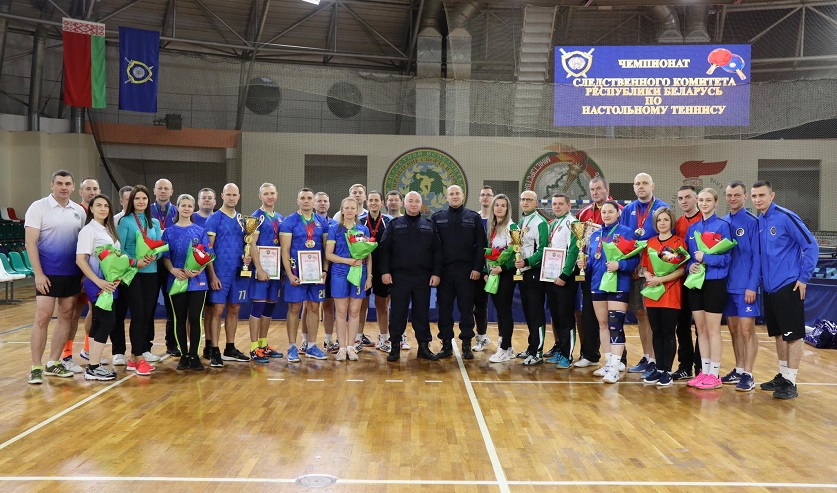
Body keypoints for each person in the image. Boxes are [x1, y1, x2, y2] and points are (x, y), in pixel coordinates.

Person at [752, 180, 818, 399]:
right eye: (754, 196)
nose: (758, 199)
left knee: (793, 336)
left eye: (762, 195)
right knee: (779, 334)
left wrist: (804, 277)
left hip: (789, 284)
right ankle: (783, 375)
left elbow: (811, 245)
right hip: (769, 288)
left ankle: (791, 381)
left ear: (772, 196)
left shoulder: (786, 217)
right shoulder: (761, 220)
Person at [25, 170, 86, 384]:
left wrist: (83, 274)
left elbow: (83, 244)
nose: (63, 187)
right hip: (47, 274)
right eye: (59, 183)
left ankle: (53, 362)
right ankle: (35, 367)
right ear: (52, 185)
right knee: (42, 317)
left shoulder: (79, 211)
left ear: (73, 187)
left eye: (67, 184)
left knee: (66, 316)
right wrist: (38, 274)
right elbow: (30, 242)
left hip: (72, 273)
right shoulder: (38, 207)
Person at [579, 200, 639, 384]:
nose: (606, 215)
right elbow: (594, 261)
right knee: (603, 324)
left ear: (618, 213)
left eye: (610, 212)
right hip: (597, 284)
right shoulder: (595, 235)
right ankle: (608, 362)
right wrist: (585, 264)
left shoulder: (626, 233)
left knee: (615, 324)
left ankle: (615, 367)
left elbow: (635, 259)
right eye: (604, 212)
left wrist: (619, 265)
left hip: (618, 283)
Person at [379, 191, 442, 362]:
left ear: (421, 204)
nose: (414, 204)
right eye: (410, 201)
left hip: (423, 277)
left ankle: (424, 347)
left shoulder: (429, 225)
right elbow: (384, 250)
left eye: (417, 201)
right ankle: (394, 347)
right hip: (400, 277)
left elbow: (437, 252)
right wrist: (385, 272)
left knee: (421, 313)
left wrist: (436, 273)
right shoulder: (394, 224)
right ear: (404, 204)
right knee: (398, 313)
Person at [620, 173, 669, 377]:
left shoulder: (662, 208)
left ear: (653, 186)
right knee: (640, 313)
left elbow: (667, 239)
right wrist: (630, 264)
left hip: (654, 271)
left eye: (645, 183)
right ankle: (647, 357)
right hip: (634, 270)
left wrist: (652, 267)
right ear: (633, 187)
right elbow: (624, 238)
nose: (641, 186)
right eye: (637, 183)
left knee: (653, 315)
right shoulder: (628, 210)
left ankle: (657, 360)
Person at [685, 188, 733, 390]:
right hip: (696, 283)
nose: (704, 204)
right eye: (701, 200)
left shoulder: (723, 226)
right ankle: (704, 372)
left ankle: (714, 374)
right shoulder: (692, 228)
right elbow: (688, 257)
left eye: (708, 200)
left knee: (713, 330)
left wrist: (706, 258)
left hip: (715, 282)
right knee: (701, 329)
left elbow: (726, 258)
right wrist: (690, 266)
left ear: (716, 203)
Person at [431, 185, 486, 359]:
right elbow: (432, 248)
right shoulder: (437, 217)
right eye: (451, 194)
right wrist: (436, 272)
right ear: (446, 197)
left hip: (467, 272)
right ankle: (446, 344)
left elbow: (481, 245)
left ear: (463, 196)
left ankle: (467, 344)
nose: (454, 196)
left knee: (466, 309)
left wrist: (477, 268)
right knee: (444, 310)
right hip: (444, 272)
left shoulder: (473, 217)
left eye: (457, 194)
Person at [573, 176, 621, 369]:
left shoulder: (620, 210)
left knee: (614, 318)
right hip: (590, 271)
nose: (595, 192)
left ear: (607, 189)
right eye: (592, 189)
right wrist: (582, 260)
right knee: (589, 316)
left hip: (612, 272)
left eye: (599, 189)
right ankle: (590, 355)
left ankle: (620, 359)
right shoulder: (583, 213)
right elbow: (579, 243)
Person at [204, 183, 252, 367]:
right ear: (222, 196)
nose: (232, 198)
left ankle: (230, 348)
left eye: (234, 195)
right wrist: (212, 275)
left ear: (238, 197)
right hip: (220, 272)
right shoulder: (214, 219)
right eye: (228, 194)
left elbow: (247, 244)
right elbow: (208, 250)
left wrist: (246, 257)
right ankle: (214, 350)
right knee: (217, 310)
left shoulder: (243, 220)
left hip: (238, 272)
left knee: (234, 308)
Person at [638, 208, 687, 387]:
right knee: (656, 332)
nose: (662, 223)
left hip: (670, 293)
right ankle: (658, 369)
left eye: (666, 219)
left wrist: (660, 279)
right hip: (653, 293)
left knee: (668, 333)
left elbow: (681, 270)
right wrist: (648, 275)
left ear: (671, 221)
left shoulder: (678, 242)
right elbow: (644, 266)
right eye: (659, 220)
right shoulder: (650, 243)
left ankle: (667, 371)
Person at [280, 188, 330, 362]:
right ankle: (292, 347)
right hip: (296, 272)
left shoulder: (322, 222)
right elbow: (285, 250)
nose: (306, 200)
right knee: (294, 308)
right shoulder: (289, 221)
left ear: (314, 201)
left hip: (316, 273)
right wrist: (289, 274)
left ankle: (312, 346)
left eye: (309, 198)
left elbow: (326, 249)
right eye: (303, 198)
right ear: (298, 201)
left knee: (314, 307)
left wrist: (325, 271)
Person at [721, 181, 761, 391]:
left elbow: (757, 257)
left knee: (747, 331)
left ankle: (749, 373)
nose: (733, 198)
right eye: (729, 195)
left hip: (745, 287)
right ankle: (738, 369)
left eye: (737, 195)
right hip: (726, 286)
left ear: (745, 196)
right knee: (734, 330)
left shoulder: (752, 222)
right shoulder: (722, 222)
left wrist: (752, 286)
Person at [75, 194, 120, 381]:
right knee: (107, 322)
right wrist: (97, 281)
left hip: (109, 283)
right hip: (98, 284)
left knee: (99, 322)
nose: (103, 208)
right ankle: (93, 367)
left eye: (106, 206)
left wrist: (117, 277)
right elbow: (80, 259)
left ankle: (93, 365)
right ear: (91, 209)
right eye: (98, 205)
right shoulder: (88, 230)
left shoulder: (108, 230)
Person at [162, 194, 210, 371]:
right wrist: (173, 270)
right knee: (179, 319)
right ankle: (184, 355)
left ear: (193, 208)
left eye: (190, 206)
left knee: (195, 318)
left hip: (197, 281)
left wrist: (198, 270)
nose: (186, 208)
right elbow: (165, 256)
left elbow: (206, 255)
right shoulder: (169, 232)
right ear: (177, 207)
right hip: (177, 280)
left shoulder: (200, 231)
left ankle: (194, 355)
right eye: (183, 205)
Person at [117, 185, 160, 376]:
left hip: (151, 273)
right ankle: (139, 356)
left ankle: (134, 358)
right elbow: (120, 249)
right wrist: (135, 262)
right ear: (131, 201)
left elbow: (159, 246)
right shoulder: (125, 221)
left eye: (144, 198)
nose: (141, 201)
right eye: (137, 198)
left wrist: (155, 256)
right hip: (132, 273)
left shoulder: (154, 222)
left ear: (148, 201)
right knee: (138, 313)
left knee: (146, 314)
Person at [326, 197, 373, 361]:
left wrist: (369, 276)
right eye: (347, 208)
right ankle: (341, 348)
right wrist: (347, 261)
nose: (350, 210)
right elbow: (329, 255)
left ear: (357, 210)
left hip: (359, 273)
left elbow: (368, 256)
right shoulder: (334, 229)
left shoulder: (363, 229)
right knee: (340, 311)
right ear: (342, 210)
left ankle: (351, 347)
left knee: (354, 311)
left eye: (353, 208)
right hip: (339, 273)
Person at [65, 177, 100, 373]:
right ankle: (66, 354)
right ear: (80, 192)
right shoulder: (75, 213)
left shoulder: (101, 215)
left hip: (95, 273)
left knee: (95, 312)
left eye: (95, 188)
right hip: (75, 271)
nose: (92, 192)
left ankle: (88, 350)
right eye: (88, 189)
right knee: (72, 313)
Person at [247, 183, 285, 363]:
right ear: (260, 196)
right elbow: (251, 244)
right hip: (260, 270)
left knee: (270, 307)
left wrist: (283, 269)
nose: (269, 196)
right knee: (258, 307)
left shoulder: (280, 218)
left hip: (275, 270)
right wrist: (259, 269)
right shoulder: (255, 217)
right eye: (266, 194)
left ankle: (263, 344)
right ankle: (254, 347)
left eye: (272, 193)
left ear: (276, 195)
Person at [543, 193, 579, 369]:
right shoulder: (554, 223)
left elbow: (573, 251)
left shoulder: (573, 223)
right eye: (554, 204)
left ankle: (567, 355)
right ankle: (560, 349)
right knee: (556, 316)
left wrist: (565, 275)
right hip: (551, 276)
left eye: (560, 204)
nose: (556, 207)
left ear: (569, 205)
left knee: (565, 317)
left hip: (565, 278)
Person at [514, 190, 549, 366]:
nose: (525, 202)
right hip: (523, 272)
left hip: (535, 272)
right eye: (523, 199)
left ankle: (538, 352)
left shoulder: (540, 222)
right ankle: (531, 347)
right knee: (528, 312)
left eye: (529, 200)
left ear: (536, 203)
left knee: (536, 313)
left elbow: (543, 249)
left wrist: (527, 261)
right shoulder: (521, 221)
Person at [300, 191, 337, 354]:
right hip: (308, 269)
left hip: (329, 270)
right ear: (314, 204)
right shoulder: (304, 221)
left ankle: (328, 341)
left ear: (329, 204)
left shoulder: (334, 224)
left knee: (328, 305)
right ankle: (305, 341)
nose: (322, 203)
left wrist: (326, 269)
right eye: (319, 201)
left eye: (325, 201)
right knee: (307, 306)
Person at [672, 185, 702, 380]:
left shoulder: (705, 220)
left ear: (696, 199)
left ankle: (701, 367)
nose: (684, 201)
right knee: (682, 325)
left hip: (701, 280)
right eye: (680, 198)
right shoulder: (678, 223)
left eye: (687, 197)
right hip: (681, 280)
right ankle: (685, 366)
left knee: (701, 327)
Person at [484, 194, 519, 363]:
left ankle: (504, 348)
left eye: (503, 205)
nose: (499, 208)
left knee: (504, 311)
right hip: (495, 272)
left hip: (507, 273)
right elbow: (490, 250)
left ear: (508, 209)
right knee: (499, 310)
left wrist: (502, 268)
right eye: (497, 205)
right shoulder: (492, 226)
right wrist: (488, 270)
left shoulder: (512, 226)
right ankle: (508, 347)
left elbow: (514, 252)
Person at [358, 190, 393, 353]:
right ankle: (358, 338)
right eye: (371, 200)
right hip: (363, 269)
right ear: (367, 202)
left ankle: (384, 338)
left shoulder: (388, 221)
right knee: (361, 304)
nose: (373, 203)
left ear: (382, 202)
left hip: (382, 269)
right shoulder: (360, 222)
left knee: (382, 305)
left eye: (376, 200)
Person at [151, 178, 178, 356]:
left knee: (172, 306)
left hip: (171, 264)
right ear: (154, 191)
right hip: (150, 264)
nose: (162, 191)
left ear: (171, 191)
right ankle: (146, 345)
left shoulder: (177, 211)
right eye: (159, 188)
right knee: (148, 306)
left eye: (166, 188)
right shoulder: (146, 211)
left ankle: (172, 344)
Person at [111, 185, 133, 367]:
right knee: (118, 314)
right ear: (121, 201)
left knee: (141, 314)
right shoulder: (113, 221)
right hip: (119, 275)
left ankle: (141, 350)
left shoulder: (145, 221)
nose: (132, 202)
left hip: (139, 274)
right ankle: (118, 351)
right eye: (128, 199)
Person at [473, 185, 494, 352]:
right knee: (478, 304)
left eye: (488, 195)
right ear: (479, 198)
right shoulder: (474, 218)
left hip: (495, 268)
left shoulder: (499, 219)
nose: (485, 197)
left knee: (501, 305)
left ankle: (505, 344)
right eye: (483, 195)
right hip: (477, 268)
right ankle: (481, 336)